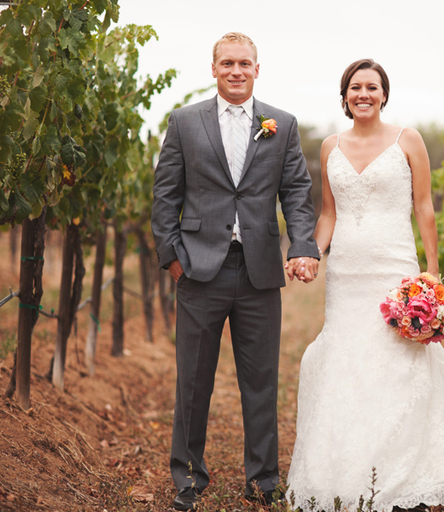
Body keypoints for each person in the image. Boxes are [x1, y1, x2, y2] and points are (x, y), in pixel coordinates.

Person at [286, 59, 444, 511]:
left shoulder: (408, 140)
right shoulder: (328, 147)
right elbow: (328, 214)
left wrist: (431, 272)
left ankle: (408, 474)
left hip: (394, 268)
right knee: (345, 360)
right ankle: (347, 472)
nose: (363, 94)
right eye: (355, 87)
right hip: (347, 273)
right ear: (344, 96)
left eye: (372, 87)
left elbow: (424, 206)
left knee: (399, 363)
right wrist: (310, 254)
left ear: (384, 94)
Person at [151, 32, 319, 511]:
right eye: (227, 63)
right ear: (214, 68)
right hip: (199, 271)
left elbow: (297, 195)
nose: (236, 70)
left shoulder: (281, 125)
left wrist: (302, 245)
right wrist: (173, 258)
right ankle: (187, 477)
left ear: (257, 69)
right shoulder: (184, 122)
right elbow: (165, 195)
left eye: (245, 63)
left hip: (259, 272)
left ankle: (263, 480)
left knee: (262, 380)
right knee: (193, 381)